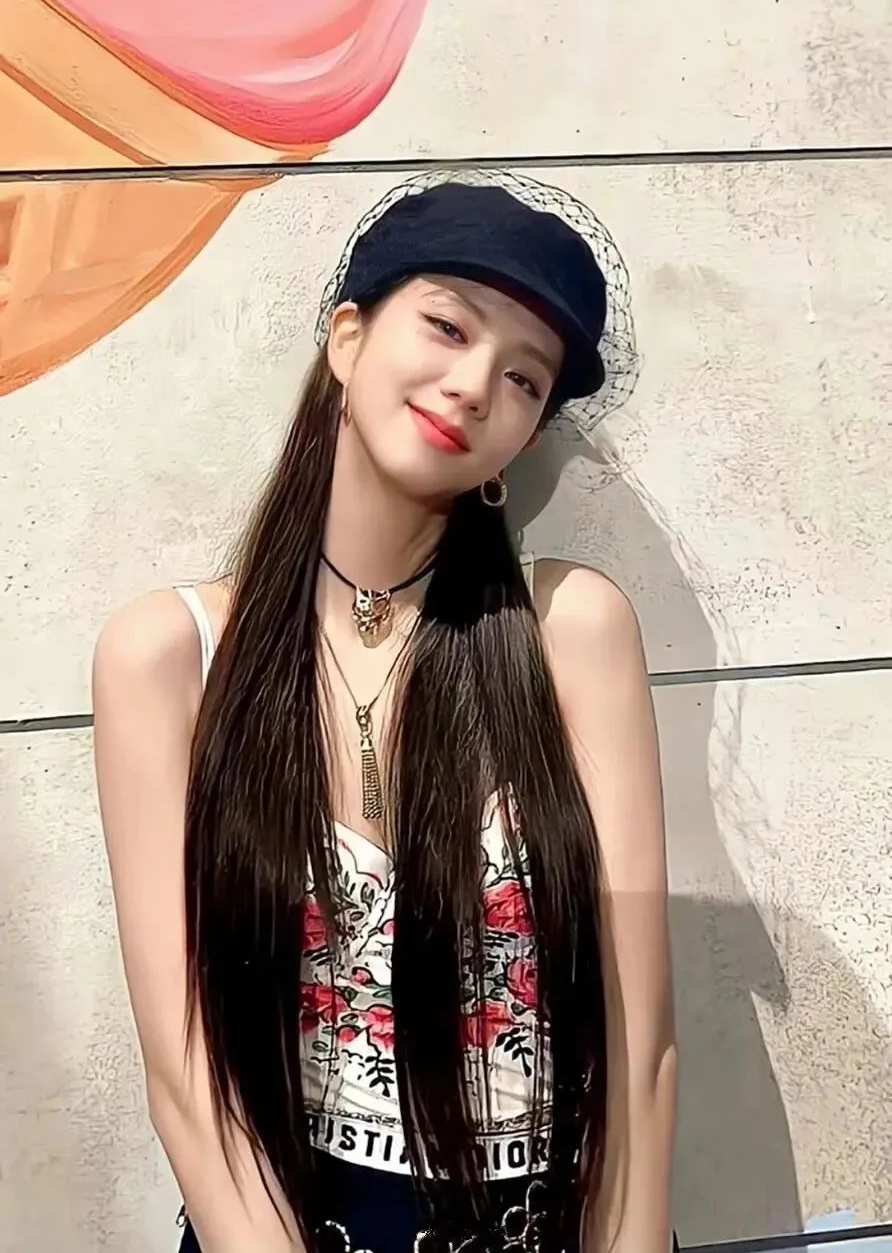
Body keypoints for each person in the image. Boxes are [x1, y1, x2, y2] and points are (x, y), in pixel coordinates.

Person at [94, 173, 677, 1253]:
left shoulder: (568, 632)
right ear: (348, 336)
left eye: (523, 377)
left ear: (529, 434)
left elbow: (638, 1058)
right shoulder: (171, 657)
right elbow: (185, 1071)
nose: (473, 384)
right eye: (447, 327)